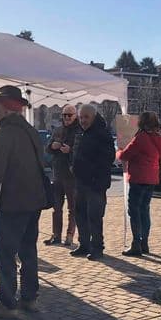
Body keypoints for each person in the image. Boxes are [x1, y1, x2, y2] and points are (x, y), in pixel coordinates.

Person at [0, 85, 50, 319]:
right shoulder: (30, 131)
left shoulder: (4, 135)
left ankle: (8, 303)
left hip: (12, 204)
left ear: (7, 106)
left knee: (5, 254)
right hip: (33, 202)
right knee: (28, 251)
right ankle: (30, 298)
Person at [117, 111, 161, 256]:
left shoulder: (141, 138)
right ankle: (144, 242)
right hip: (152, 178)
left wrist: (118, 151)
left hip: (138, 178)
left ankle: (136, 244)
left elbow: (125, 155)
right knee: (144, 211)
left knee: (134, 211)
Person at [70, 104, 115, 261]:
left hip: (96, 184)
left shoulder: (102, 134)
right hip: (81, 183)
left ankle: (97, 247)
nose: (83, 120)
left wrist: (96, 177)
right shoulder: (82, 133)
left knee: (94, 217)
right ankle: (84, 244)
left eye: (86, 117)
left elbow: (107, 159)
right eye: (81, 117)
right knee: (80, 215)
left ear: (94, 117)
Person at [43, 104, 80, 247]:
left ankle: (69, 235)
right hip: (57, 173)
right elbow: (47, 147)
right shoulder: (58, 130)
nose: (66, 118)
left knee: (72, 207)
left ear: (75, 115)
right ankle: (56, 235)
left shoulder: (79, 131)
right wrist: (52, 147)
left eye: (69, 115)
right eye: (64, 115)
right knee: (56, 206)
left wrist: (70, 150)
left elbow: (81, 151)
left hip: (72, 175)